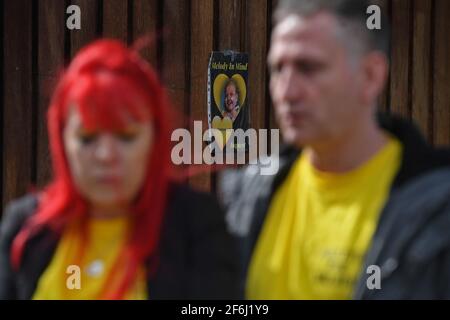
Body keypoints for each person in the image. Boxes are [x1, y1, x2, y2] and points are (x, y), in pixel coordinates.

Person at [220, 0, 450, 299]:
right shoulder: (246, 197)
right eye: (278, 68)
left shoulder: (438, 212)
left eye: (308, 68)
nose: (286, 91)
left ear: (370, 76)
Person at [0, 39, 239, 300]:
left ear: (155, 138)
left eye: (126, 137)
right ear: (61, 140)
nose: (105, 156)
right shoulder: (25, 230)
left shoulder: (196, 226)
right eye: (87, 138)